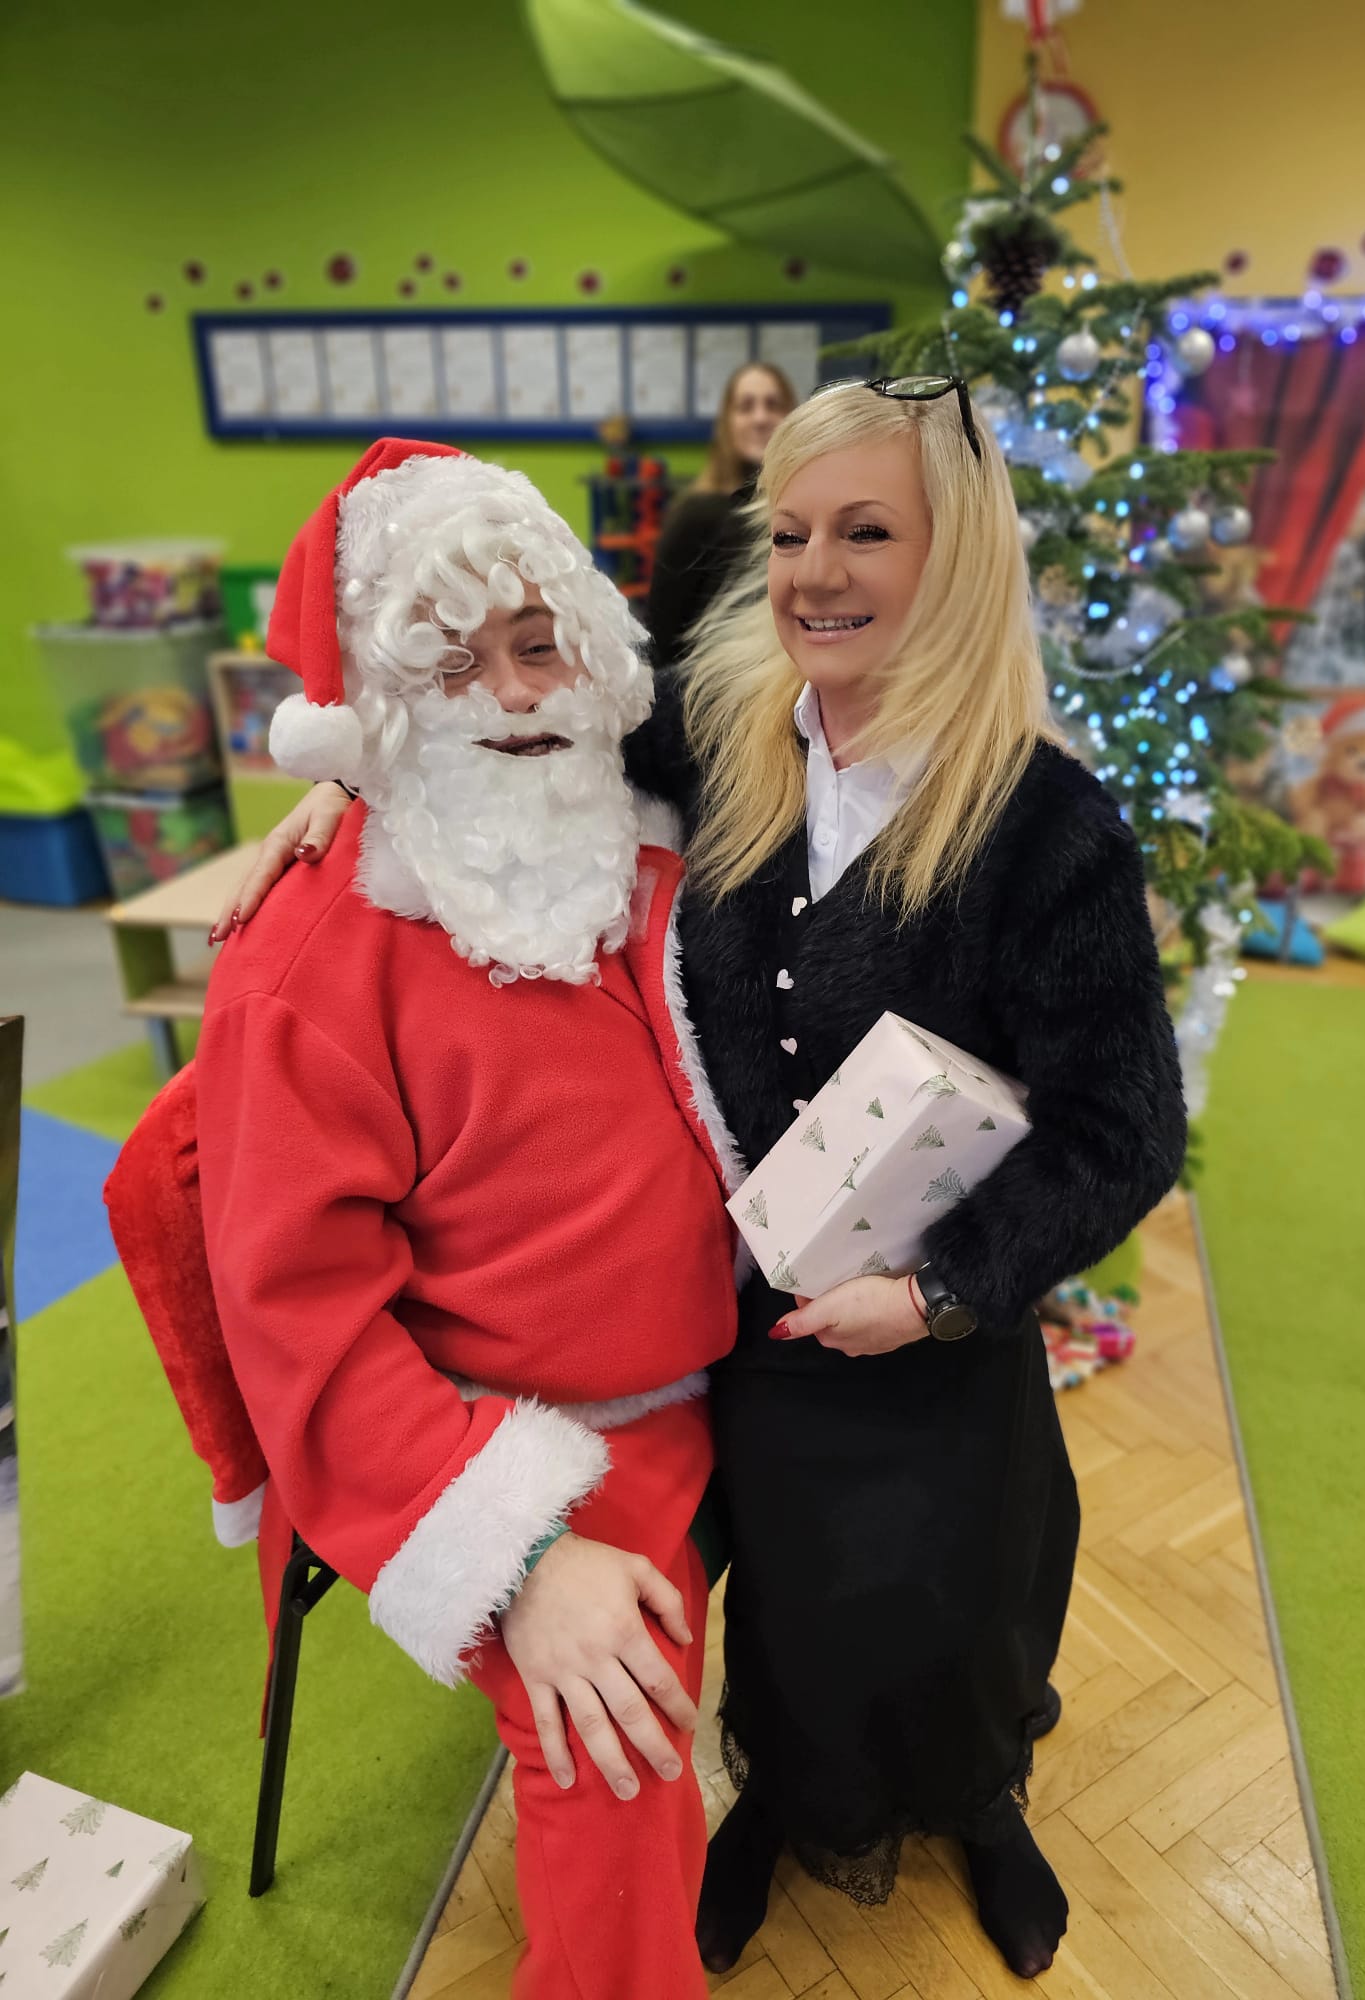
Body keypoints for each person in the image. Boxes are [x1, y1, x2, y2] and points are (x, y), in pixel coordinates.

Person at [215, 380, 1187, 1982]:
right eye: (791, 532)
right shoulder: (724, 738)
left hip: (933, 1323)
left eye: (866, 532)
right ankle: (782, 1804)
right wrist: (352, 777)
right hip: (737, 1330)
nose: (816, 571)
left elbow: (1124, 1127)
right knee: (796, 1606)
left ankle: (979, 1805)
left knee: (953, 1600)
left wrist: (941, 1292)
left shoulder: (1043, 826)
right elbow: (505, 726)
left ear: (955, 557)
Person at [195, 438, 740, 2000]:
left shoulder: (646, 843)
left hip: (739, 1372)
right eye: (449, 663)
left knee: (922, 1552)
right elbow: (299, 1323)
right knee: (618, 1747)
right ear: (378, 709)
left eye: (535, 642)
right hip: (511, 1442)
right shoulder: (307, 970)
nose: (509, 695)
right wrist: (527, 1555)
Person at [646, 361, 795, 673]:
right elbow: (661, 640)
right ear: (727, 423)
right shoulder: (696, 516)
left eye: (772, 405)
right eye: (745, 406)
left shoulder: (805, 511)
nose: (760, 418)